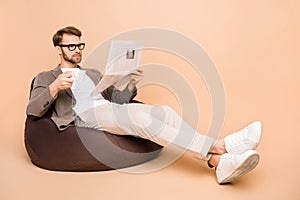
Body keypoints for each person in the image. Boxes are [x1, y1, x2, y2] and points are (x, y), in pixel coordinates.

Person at [26, 26, 262, 184]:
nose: (77, 51)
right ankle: (221, 146)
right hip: (84, 116)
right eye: (71, 47)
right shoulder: (46, 77)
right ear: (58, 49)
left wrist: (129, 84)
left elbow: (118, 101)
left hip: (108, 110)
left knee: (164, 112)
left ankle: (218, 162)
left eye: (80, 46)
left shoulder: (92, 73)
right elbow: (33, 110)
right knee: (142, 120)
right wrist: (55, 87)